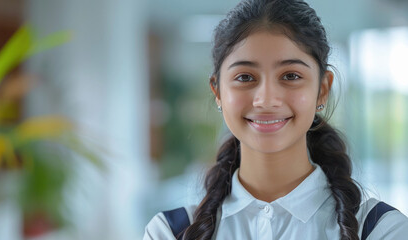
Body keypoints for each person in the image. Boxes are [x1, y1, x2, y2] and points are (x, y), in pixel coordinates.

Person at [143, 0, 408, 239]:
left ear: (323, 89)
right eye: (245, 77)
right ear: (218, 92)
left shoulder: (383, 230)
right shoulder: (168, 232)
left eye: (290, 76)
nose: (267, 100)